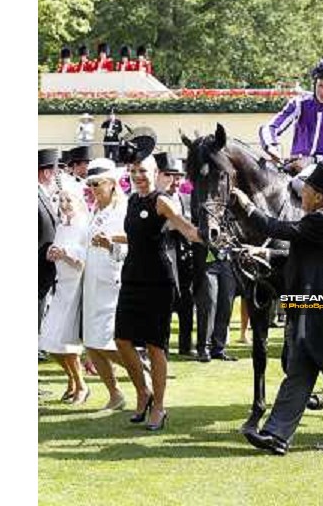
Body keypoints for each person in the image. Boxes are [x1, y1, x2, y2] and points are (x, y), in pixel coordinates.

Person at [232, 163, 323, 454]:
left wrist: (249, 206)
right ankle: (276, 436)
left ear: (321, 196)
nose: (302, 195)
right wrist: (263, 252)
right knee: (299, 372)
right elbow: (296, 256)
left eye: (308, 190)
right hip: (309, 308)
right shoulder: (319, 221)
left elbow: (278, 228)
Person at [113, 131, 202, 431]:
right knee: (122, 339)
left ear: (156, 173)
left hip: (159, 281)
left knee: (155, 346)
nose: (138, 176)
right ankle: (143, 391)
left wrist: (212, 239)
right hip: (132, 277)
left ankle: (159, 407)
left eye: (144, 171)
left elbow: (185, 228)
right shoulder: (130, 201)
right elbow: (136, 236)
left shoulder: (162, 201)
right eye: (134, 171)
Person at [82, 158, 129, 410]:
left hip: (113, 282)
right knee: (91, 344)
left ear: (112, 183)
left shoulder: (122, 209)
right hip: (91, 283)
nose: (92, 188)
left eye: (97, 183)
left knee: (104, 342)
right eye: (89, 184)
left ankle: (143, 379)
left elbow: (133, 245)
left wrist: (110, 244)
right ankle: (115, 394)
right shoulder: (93, 210)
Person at [258, 58, 323, 174]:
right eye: (320, 85)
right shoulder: (299, 104)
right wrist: (271, 146)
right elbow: (270, 127)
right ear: (314, 83)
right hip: (295, 168)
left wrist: (312, 161)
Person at [39, 188, 90, 404]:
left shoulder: (84, 228)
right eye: (61, 200)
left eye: (69, 200)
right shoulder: (61, 227)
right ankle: (72, 379)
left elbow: (83, 262)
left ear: (78, 202)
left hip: (75, 289)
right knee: (49, 341)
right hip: (60, 287)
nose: (65, 204)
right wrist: (52, 252)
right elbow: (57, 249)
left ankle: (81, 385)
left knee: (66, 344)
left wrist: (66, 254)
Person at [154, 152, 196, 357]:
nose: (176, 181)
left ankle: (186, 346)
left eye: (179, 176)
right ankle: (163, 346)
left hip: (185, 256)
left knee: (187, 302)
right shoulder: (155, 200)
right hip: (164, 252)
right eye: (171, 175)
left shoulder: (186, 199)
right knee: (165, 303)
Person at [38, 149, 59, 337]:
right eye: (55, 172)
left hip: (46, 267)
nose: (56, 176)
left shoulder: (45, 195)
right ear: (46, 173)